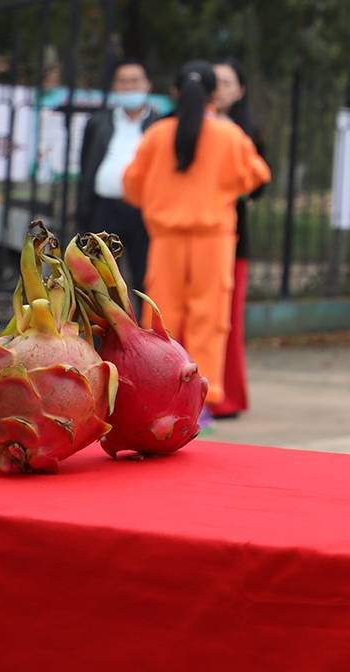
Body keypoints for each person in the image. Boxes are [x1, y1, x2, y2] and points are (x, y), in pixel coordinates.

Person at [122, 62, 271, 426]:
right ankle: (203, 400)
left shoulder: (157, 135)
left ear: (174, 93)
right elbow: (256, 175)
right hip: (213, 240)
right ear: (213, 95)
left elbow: (132, 186)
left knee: (162, 319)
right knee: (209, 318)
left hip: (166, 239)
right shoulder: (229, 135)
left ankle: (157, 395)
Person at [211, 59, 268, 419]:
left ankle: (226, 397)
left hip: (231, 235)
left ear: (240, 90)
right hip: (186, 238)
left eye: (228, 82)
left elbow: (260, 183)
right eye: (215, 82)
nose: (220, 88)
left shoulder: (244, 133)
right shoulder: (182, 129)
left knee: (226, 319)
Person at [76, 58, 163, 292]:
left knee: (144, 275)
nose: (129, 86)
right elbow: (86, 164)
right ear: (115, 86)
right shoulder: (99, 122)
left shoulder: (160, 124)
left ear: (147, 85)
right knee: (102, 277)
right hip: (105, 208)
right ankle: (104, 327)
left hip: (143, 209)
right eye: (123, 81)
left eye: (135, 81)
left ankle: (145, 327)